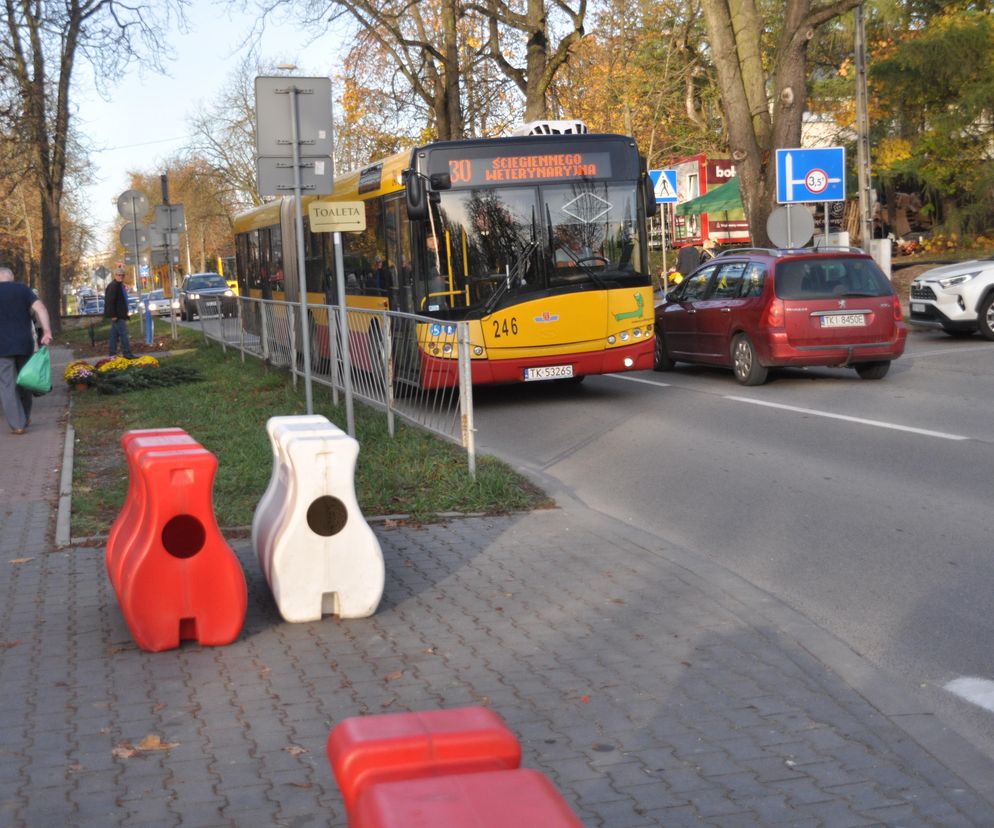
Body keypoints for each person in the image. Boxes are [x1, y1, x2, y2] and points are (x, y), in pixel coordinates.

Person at [0, 266, 53, 435]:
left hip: (1, 347)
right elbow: (41, 309)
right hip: (24, 343)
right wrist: (47, 331)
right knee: (25, 380)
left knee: (7, 385)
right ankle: (25, 416)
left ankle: (17, 424)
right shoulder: (23, 289)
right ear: (12, 277)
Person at [104, 265, 136, 360]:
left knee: (114, 335)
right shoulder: (113, 286)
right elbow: (109, 301)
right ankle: (127, 354)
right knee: (124, 334)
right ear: (115, 275)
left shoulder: (120, 285)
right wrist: (113, 315)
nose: (120, 276)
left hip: (121, 314)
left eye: (122, 275)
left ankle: (112, 354)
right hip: (117, 315)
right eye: (118, 275)